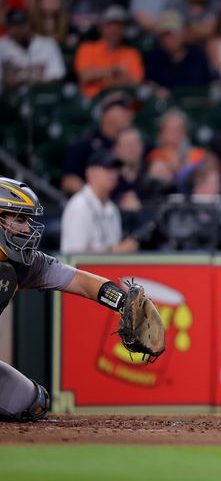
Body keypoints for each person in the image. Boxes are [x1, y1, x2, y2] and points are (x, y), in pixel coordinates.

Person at [0, 177, 145, 422]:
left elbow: (80, 282)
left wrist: (122, 301)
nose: (26, 229)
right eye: (20, 219)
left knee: (32, 402)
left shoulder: (23, 263)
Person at [60, 150, 138, 254]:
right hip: (82, 270)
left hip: (106, 269)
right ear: (90, 173)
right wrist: (117, 250)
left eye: (115, 169)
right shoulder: (79, 205)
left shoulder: (112, 208)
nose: (113, 174)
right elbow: (73, 255)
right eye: (107, 169)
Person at [62, 91, 135, 195]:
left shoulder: (135, 145)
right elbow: (70, 182)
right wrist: (98, 199)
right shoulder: (85, 146)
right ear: (106, 113)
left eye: (130, 110)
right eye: (123, 109)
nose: (130, 114)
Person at [73, 5, 144, 98]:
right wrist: (114, 70)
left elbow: (135, 82)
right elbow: (84, 76)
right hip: (94, 99)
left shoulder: (132, 53)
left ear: (124, 29)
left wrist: (100, 76)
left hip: (124, 99)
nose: (114, 30)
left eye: (119, 26)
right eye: (110, 25)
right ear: (102, 27)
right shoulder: (87, 48)